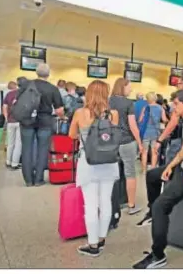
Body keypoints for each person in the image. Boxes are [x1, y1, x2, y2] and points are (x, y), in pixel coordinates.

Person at [132, 90, 183, 269]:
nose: (174, 107)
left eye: (176, 104)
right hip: (182, 168)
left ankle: (158, 255)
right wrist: (169, 167)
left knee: (161, 206)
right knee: (152, 176)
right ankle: (153, 212)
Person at [69, 80, 120, 257]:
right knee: (105, 200)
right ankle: (102, 238)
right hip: (109, 161)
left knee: (91, 203)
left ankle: (92, 245)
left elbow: (71, 135)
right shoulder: (113, 114)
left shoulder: (80, 113)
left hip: (88, 162)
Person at [19, 64, 64, 187]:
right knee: (42, 150)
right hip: (45, 121)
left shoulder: (26, 85)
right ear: (48, 74)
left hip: (27, 121)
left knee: (26, 149)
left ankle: (28, 180)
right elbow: (59, 110)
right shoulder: (52, 89)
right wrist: (62, 117)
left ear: (36, 72)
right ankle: (38, 179)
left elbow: (17, 102)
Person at [109, 78, 144, 215]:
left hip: (112, 142)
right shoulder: (128, 103)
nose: (131, 89)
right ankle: (131, 205)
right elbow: (132, 125)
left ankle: (114, 202)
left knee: (113, 173)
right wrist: (140, 143)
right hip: (127, 142)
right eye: (129, 87)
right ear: (122, 87)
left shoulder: (109, 101)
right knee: (130, 173)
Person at [139, 92, 168, 170]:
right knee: (154, 152)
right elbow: (165, 120)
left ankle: (143, 169)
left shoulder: (145, 107)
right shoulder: (160, 108)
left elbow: (140, 120)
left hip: (145, 132)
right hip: (156, 132)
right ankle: (152, 169)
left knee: (144, 152)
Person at [3, 79, 23, 170]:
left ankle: (8, 161)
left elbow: (4, 107)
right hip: (19, 121)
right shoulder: (22, 94)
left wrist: (7, 118)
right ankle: (15, 163)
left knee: (10, 143)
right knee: (18, 143)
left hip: (10, 121)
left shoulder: (8, 94)